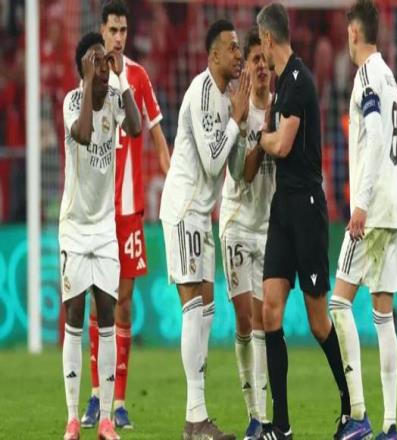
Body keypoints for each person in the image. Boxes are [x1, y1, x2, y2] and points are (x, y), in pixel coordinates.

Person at [254, 4, 350, 440]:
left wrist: (262, 138)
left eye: (260, 41)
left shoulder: (297, 80)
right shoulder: (281, 86)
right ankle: (282, 425)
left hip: (308, 208)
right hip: (283, 207)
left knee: (317, 322)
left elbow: (283, 145)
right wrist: (268, 134)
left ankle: (350, 404)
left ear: (267, 38)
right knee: (270, 310)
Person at [81, 1, 171, 430]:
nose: (118, 38)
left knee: (123, 302)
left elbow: (156, 132)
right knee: (96, 302)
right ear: (101, 31)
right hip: (96, 210)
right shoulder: (88, 76)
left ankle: (118, 400)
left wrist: (173, 181)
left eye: (123, 31)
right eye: (112, 30)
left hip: (130, 209)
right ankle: (95, 396)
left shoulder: (137, 76)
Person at [159, 19, 250, 440]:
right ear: (213, 55)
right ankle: (195, 420)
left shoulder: (226, 98)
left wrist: (242, 125)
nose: (239, 54)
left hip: (203, 213)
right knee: (194, 307)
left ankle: (196, 416)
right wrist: (235, 120)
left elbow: (233, 167)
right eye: (232, 48)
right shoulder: (201, 92)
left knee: (207, 309)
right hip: (184, 209)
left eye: (239, 47)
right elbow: (213, 163)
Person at [60, 32, 141, 440]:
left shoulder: (115, 98)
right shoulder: (72, 101)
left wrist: (120, 79)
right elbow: (84, 134)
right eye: (93, 59)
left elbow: (137, 128)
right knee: (75, 315)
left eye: (103, 59)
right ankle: (73, 417)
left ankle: (106, 418)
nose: (101, 65)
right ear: (81, 67)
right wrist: (91, 80)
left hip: (105, 228)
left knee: (107, 313)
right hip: (75, 227)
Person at [329, 1, 397, 439]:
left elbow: (375, 136)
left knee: (339, 304)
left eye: (347, 32)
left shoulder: (366, 76)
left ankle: (358, 415)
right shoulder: (388, 74)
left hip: (371, 210)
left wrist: (360, 203)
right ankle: (390, 424)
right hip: (392, 207)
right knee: (383, 315)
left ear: (354, 33)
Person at [219, 27, 273, 440]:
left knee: (263, 322)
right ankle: (255, 414)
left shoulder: (284, 109)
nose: (261, 67)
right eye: (254, 59)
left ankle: (262, 417)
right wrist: (249, 129)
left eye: (265, 61)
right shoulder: (235, 110)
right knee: (245, 319)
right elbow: (239, 173)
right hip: (237, 221)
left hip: (268, 226)